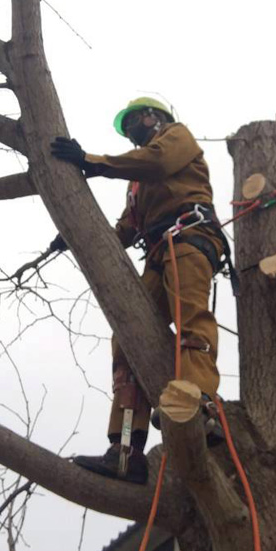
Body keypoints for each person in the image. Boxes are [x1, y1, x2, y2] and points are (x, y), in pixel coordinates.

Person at [50, 97, 225, 484]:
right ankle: (126, 449)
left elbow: (157, 162)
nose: (131, 131)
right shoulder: (136, 184)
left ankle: (201, 403)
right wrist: (76, 236)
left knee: (190, 318)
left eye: (133, 122)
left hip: (189, 237)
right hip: (159, 250)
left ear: (155, 117)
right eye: (126, 128)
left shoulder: (176, 138)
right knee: (129, 339)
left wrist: (92, 162)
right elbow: (127, 229)